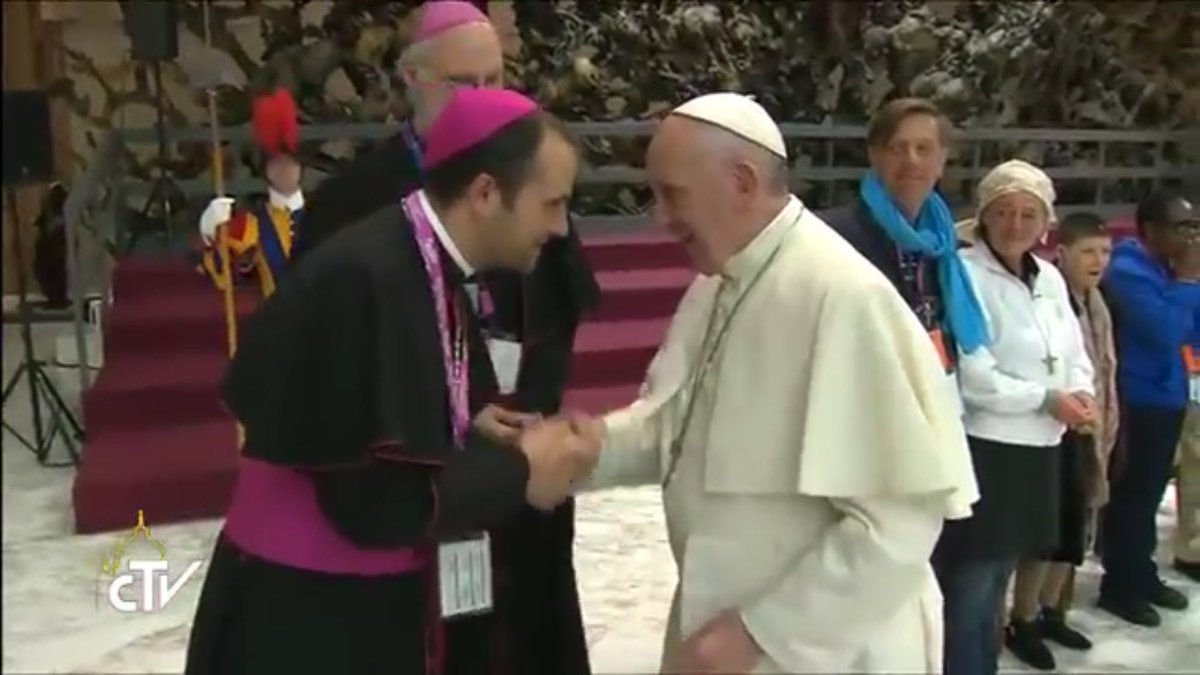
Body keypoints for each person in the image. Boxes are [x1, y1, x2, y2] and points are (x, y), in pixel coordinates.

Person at [183, 88, 600, 675]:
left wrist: (461, 417)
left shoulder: (419, 254)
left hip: (354, 604)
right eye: (551, 204)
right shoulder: (366, 277)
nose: (560, 228)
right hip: (312, 621)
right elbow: (375, 504)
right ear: (485, 194)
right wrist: (521, 470)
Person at [576, 92, 979, 673]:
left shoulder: (843, 295)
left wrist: (759, 631)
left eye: (673, 194)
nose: (660, 216)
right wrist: (589, 449)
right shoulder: (720, 280)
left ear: (741, 182)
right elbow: (679, 425)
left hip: (822, 648)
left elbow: (900, 522)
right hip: (721, 624)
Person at [297, 9, 600, 667]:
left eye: (495, 79)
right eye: (464, 82)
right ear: (412, 78)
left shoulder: (527, 178)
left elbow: (560, 308)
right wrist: (453, 414)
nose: (485, 96)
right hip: (419, 479)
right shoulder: (353, 204)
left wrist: (529, 407)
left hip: (517, 454)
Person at [936, 161, 1096, 675]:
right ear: (984, 217)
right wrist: (1045, 399)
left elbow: (1074, 351)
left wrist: (1082, 392)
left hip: (1041, 449)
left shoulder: (1048, 277)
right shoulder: (964, 274)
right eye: (1004, 212)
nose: (1016, 224)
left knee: (1002, 574)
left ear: (1045, 222)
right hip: (989, 447)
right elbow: (976, 377)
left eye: (1029, 214)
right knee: (972, 580)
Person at [989, 209, 1115, 670]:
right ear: (1062, 253)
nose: (1098, 261)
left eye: (1104, 252)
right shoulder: (1043, 291)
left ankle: (1052, 610)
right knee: (1043, 533)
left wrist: (1090, 402)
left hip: (1087, 423)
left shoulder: (1097, 302)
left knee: (1074, 528)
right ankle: (1020, 619)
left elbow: (1094, 365)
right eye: (1088, 252)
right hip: (1043, 427)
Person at [823, 98, 990, 423]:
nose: (911, 160)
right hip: (863, 411)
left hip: (936, 402)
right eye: (897, 148)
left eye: (923, 149)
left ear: (941, 161)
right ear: (874, 156)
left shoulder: (947, 246)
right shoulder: (835, 238)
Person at [1099, 191, 1200, 626]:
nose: (1191, 237)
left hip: (1172, 393)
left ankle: (1142, 574)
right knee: (1131, 497)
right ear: (1152, 230)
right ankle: (1119, 586)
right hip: (1138, 399)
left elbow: (1193, 331)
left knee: (1152, 492)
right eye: (1183, 227)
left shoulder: (1168, 270)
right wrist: (1188, 282)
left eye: (1195, 226)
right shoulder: (1127, 271)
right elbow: (1165, 332)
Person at [196, 87, 305, 299]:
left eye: (291, 164)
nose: (284, 171)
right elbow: (222, 276)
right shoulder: (251, 224)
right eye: (276, 164)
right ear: (266, 171)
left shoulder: (324, 214)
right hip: (275, 315)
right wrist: (211, 233)